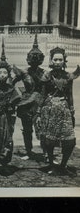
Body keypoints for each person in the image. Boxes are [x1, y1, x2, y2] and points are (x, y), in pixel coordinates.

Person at [36, 47, 80, 176]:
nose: (58, 62)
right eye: (55, 59)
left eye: (60, 59)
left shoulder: (68, 76)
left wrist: (72, 112)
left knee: (69, 140)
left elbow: (70, 96)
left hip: (64, 109)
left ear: (64, 61)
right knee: (49, 141)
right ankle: (51, 164)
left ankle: (63, 165)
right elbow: (42, 95)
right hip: (49, 110)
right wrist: (38, 113)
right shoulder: (47, 76)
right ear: (51, 60)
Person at [0, 40, 21, 173]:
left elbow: (16, 104)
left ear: (8, 74)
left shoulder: (11, 89)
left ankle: (4, 163)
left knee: (6, 140)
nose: (2, 75)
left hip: (6, 118)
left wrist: (13, 117)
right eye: (0, 73)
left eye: (5, 73)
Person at [12, 34, 46, 161]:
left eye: (37, 58)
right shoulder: (24, 72)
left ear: (41, 59)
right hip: (26, 104)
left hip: (39, 104)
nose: (35, 60)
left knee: (41, 128)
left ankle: (46, 151)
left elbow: (48, 88)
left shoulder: (44, 74)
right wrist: (17, 95)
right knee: (26, 130)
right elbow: (12, 83)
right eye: (32, 57)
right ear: (28, 59)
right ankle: (28, 150)